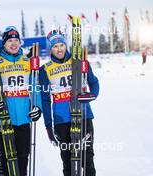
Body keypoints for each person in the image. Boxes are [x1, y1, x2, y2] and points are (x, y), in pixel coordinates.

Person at [39, 30, 99, 176]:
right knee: (68, 161)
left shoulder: (79, 62)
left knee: (87, 160)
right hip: (62, 120)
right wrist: (48, 125)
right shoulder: (45, 70)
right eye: (55, 46)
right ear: (50, 48)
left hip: (83, 115)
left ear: (66, 45)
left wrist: (91, 95)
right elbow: (45, 100)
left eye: (61, 45)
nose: (59, 49)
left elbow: (94, 82)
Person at [0, 26, 42, 176]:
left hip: (24, 116)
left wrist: (37, 107)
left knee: (23, 156)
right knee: (6, 157)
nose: (14, 43)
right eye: (10, 40)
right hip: (4, 117)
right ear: (4, 43)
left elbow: (35, 86)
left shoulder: (26, 61)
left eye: (16, 40)